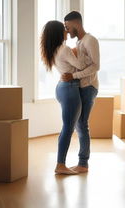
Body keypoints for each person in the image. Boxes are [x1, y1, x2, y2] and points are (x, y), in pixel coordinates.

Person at [40, 20, 91, 175]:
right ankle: (60, 165)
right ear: (58, 32)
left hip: (62, 89)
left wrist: (74, 51)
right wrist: (84, 53)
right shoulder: (64, 49)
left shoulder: (54, 49)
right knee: (68, 129)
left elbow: (70, 63)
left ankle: (61, 163)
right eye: (64, 29)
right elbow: (81, 65)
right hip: (70, 89)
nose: (67, 31)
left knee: (67, 127)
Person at [61, 11, 100, 173]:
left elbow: (95, 66)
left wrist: (73, 76)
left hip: (89, 87)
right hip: (81, 87)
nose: (67, 30)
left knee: (82, 124)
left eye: (68, 27)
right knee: (79, 125)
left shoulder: (90, 40)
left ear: (76, 24)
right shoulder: (79, 42)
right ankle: (82, 162)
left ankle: (83, 164)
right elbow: (82, 63)